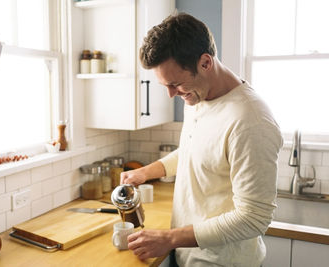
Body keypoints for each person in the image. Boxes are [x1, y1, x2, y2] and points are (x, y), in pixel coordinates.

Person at [120, 12, 283, 267]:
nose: (171, 94)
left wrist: (170, 238)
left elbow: (253, 218)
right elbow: (194, 150)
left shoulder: (250, 121)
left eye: (175, 84)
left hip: (221, 262)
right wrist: (146, 172)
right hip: (187, 254)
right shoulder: (198, 95)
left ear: (205, 63)